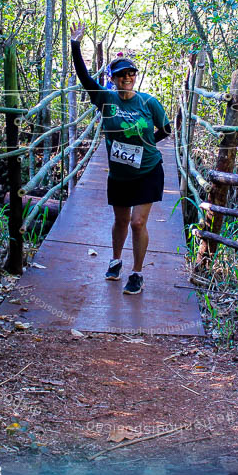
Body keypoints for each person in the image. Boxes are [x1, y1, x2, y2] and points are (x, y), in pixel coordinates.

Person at [70, 23, 171, 295]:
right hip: (119, 174)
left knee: (138, 222)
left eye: (130, 74)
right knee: (121, 220)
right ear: (113, 79)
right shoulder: (106, 98)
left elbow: (166, 129)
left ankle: (137, 273)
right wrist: (75, 46)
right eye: (121, 75)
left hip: (148, 169)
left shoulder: (149, 102)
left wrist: (148, 144)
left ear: (135, 77)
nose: (127, 78)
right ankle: (115, 261)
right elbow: (85, 79)